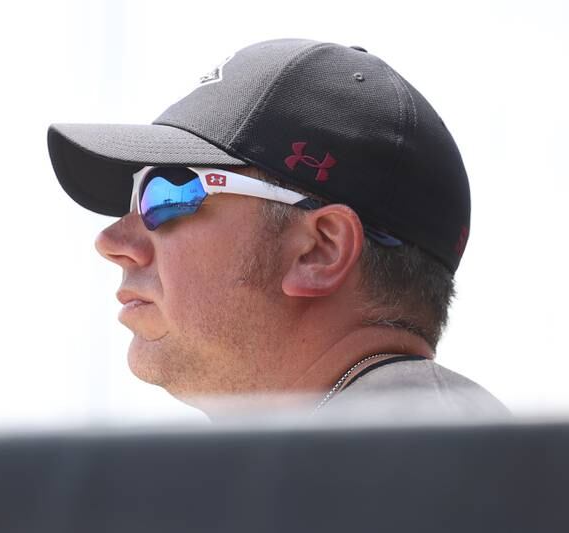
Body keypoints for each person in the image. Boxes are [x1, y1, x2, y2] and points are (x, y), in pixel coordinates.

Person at [47, 38, 507, 420]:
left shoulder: (409, 462)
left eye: (167, 193)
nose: (112, 242)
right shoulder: (364, 455)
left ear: (319, 250)